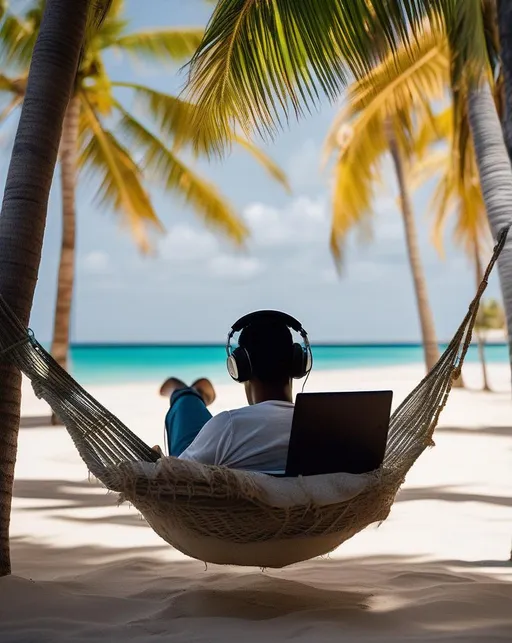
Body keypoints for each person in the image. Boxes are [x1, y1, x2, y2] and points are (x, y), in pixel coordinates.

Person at [153, 310, 312, 474]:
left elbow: (172, 476)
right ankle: (192, 394)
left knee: (186, 405)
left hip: (206, 456)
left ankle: (184, 392)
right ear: (297, 364)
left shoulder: (229, 426)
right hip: (300, 497)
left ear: (240, 368)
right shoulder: (321, 428)